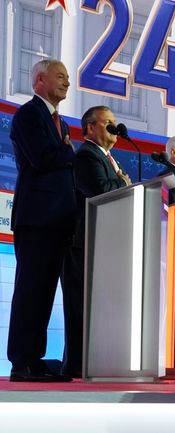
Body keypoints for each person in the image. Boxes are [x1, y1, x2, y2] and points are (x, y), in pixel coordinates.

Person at [7, 59, 76, 382]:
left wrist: (64, 149)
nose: (67, 82)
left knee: (45, 292)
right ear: (39, 80)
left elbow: (58, 155)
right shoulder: (29, 115)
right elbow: (43, 157)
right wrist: (68, 153)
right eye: (60, 76)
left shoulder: (61, 125)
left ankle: (34, 357)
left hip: (57, 219)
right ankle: (21, 360)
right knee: (30, 289)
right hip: (36, 217)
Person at [67, 106, 131, 377]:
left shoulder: (107, 157)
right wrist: (123, 182)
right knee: (80, 307)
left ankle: (95, 362)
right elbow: (100, 191)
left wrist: (123, 182)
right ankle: (78, 365)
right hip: (83, 241)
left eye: (114, 123)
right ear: (90, 127)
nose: (114, 128)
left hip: (102, 242)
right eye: (108, 123)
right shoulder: (86, 155)